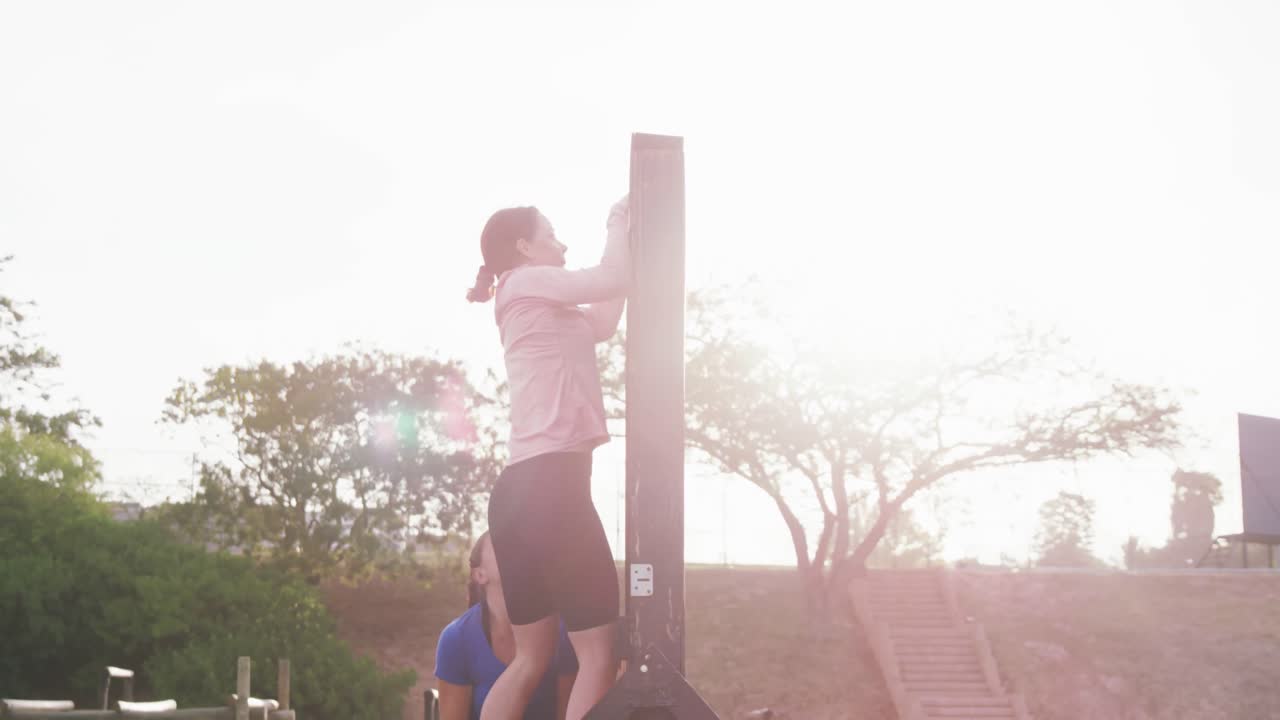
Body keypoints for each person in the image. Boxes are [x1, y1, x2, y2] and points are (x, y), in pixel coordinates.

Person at [465, 196, 630, 720]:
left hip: (518, 494)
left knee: (530, 659)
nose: (562, 245)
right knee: (598, 656)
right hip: (554, 486)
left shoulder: (528, 297)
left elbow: (603, 318)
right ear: (524, 246)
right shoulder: (527, 282)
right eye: (552, 235)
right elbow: (612, 275)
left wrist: (628, 239)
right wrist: (619, 221)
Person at [435, 533, 578, 720]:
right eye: (501, 544)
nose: (517, 550)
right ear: (480, 575)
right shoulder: (456, 639)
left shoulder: (562, 632)